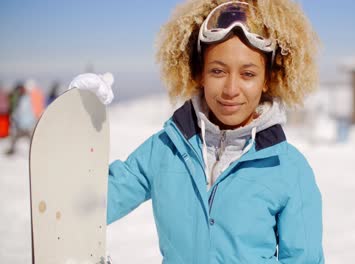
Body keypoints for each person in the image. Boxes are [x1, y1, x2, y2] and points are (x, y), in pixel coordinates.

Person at [73, 1, 323, 262]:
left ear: (267, 80)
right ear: (199, 73)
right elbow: (90, 204)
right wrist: (76, 120)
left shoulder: (290, 169)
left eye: (248, 74)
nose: (230, 89)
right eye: (217, 71)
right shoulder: (165, 149)